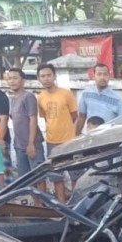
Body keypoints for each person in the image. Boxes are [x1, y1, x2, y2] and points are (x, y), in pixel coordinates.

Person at [36, 63, 78, 201]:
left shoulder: (66, 93)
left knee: (75, 173)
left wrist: (66, 128)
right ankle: (61, 204)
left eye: (49, 75)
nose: (46, 78)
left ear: (54, 76)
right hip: (51, 141)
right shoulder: (40, 97)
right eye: (43, 76)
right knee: (56, 176)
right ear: (38, 78)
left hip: (69, 140)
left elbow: (74, 115)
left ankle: (76, 202)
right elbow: (45, 118)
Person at [5, 68, 43, 177]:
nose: (12, 81)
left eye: (15, 78)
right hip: (19, 145)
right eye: (10, 78)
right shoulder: (13, 99)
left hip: (32, 143)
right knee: (25, 178)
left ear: (23, 80)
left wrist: (31, 143)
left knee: (38, 177)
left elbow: (33, 119)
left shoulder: (28, 96)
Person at [75, 63, 122, 135]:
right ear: (94, 76)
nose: (102, 77)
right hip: (90, 136)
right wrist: (77, 136)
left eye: (105, 74)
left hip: (108, 137)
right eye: (99, 74)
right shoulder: (86, 94)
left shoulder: (117, 99)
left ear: (109, 76)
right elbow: (81, 117)